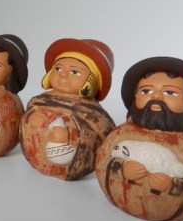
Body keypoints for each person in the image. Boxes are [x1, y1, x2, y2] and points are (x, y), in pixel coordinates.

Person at [95, 57, 183, 221]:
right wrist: (122, 169)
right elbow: (103, 160)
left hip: (165, 210)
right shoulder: (119, 134)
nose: (156, 97)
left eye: (170, 92)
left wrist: (170, 185)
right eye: (146, 91)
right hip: (121, 198)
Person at [20, 38, 115, 180]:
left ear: (91, 81)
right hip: (37, 158)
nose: (63, 75)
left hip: (74, 167)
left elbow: (108, 137)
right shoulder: (39, 101)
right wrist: (32, 118)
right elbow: (25, 121)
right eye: (58, 68)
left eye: (75, 72)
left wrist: (71, 134)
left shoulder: (92, 112)